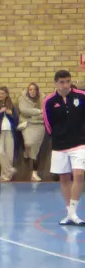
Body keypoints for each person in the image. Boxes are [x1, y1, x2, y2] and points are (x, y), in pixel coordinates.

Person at [43, 70, 85, 225]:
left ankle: (73, 212)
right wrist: (55, 137)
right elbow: (47, 123)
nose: (65, 85)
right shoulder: (48, 101)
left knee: (79, 174)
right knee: (64, 178)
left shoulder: (81, 96)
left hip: (79, 143)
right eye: (62, 82)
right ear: (55, 83)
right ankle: (70, 214)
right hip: (59, 145)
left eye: (68, 81)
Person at [18, 82, 45, 181]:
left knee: (36, 149)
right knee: (28, 143)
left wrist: (32, 114)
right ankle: (26, 150)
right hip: (27, 124)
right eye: (30, 89)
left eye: (34, 89)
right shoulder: (22, 99)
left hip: (40, 125)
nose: (32, 91)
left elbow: (45, 114)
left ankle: (34, 173)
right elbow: (24, 111)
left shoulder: (43, 99)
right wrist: (39, 111)